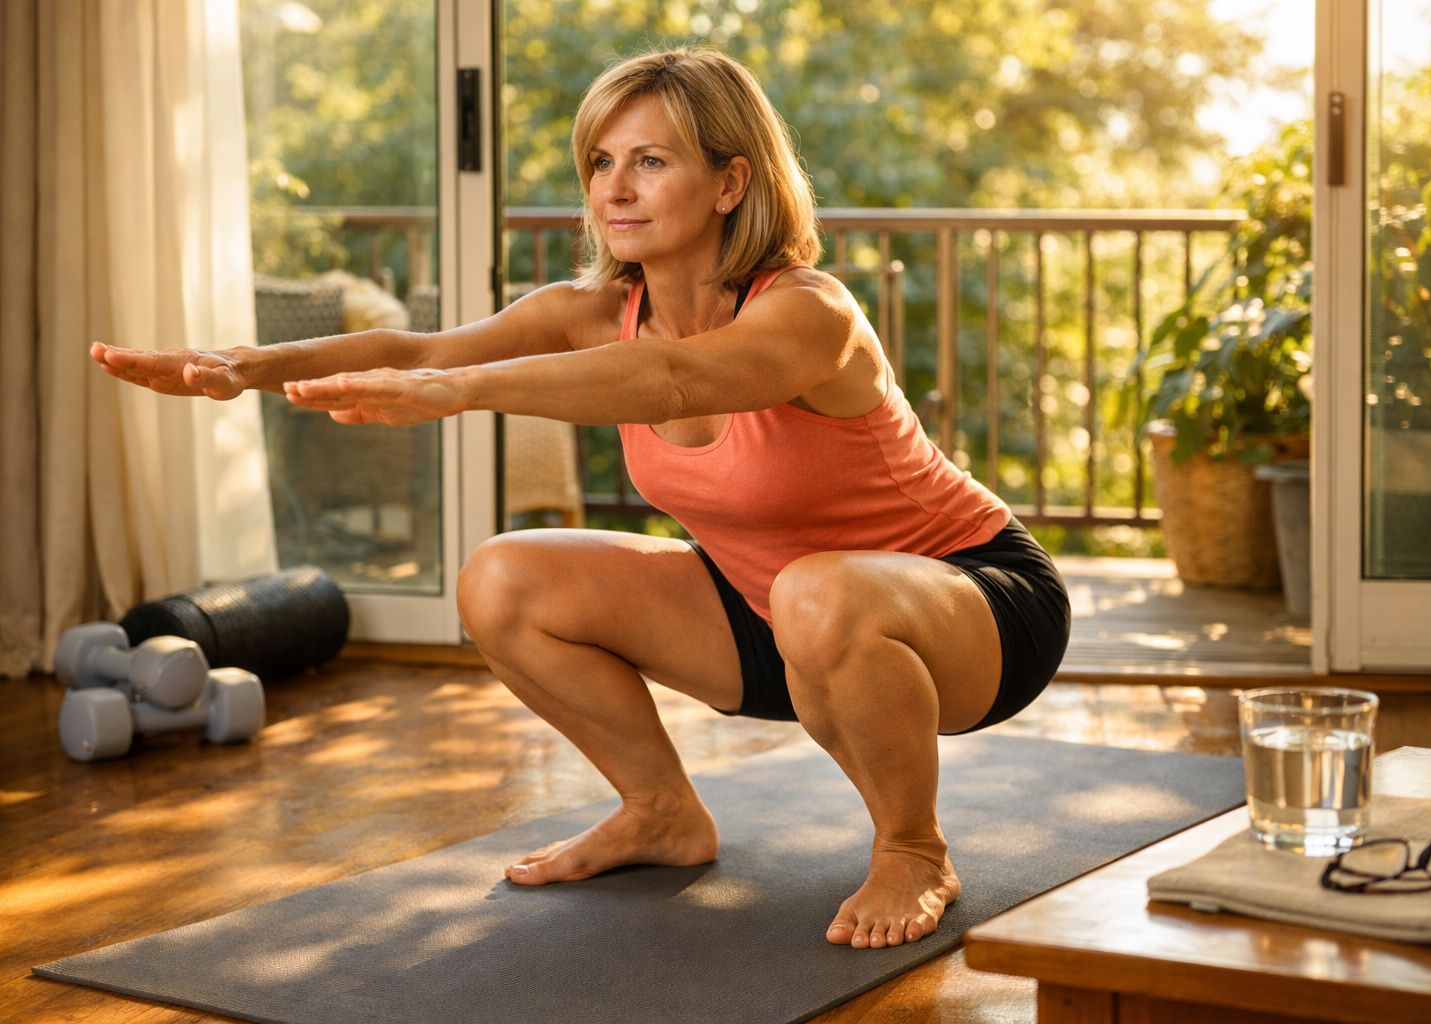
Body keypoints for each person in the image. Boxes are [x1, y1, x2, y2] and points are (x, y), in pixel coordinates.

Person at [91, 46, 1070, 951]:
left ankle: (912, 848)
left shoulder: (810, 311)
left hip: (967, 604)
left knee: (821, 590)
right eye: (601, 161)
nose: (615, 186)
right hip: (770, 612)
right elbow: (424, 351)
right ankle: (660, 811)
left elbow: (677, 382)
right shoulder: (594, 311)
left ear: (732, 182)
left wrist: (464, 394)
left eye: (651, 160)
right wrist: (243, 365)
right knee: (502, 578)